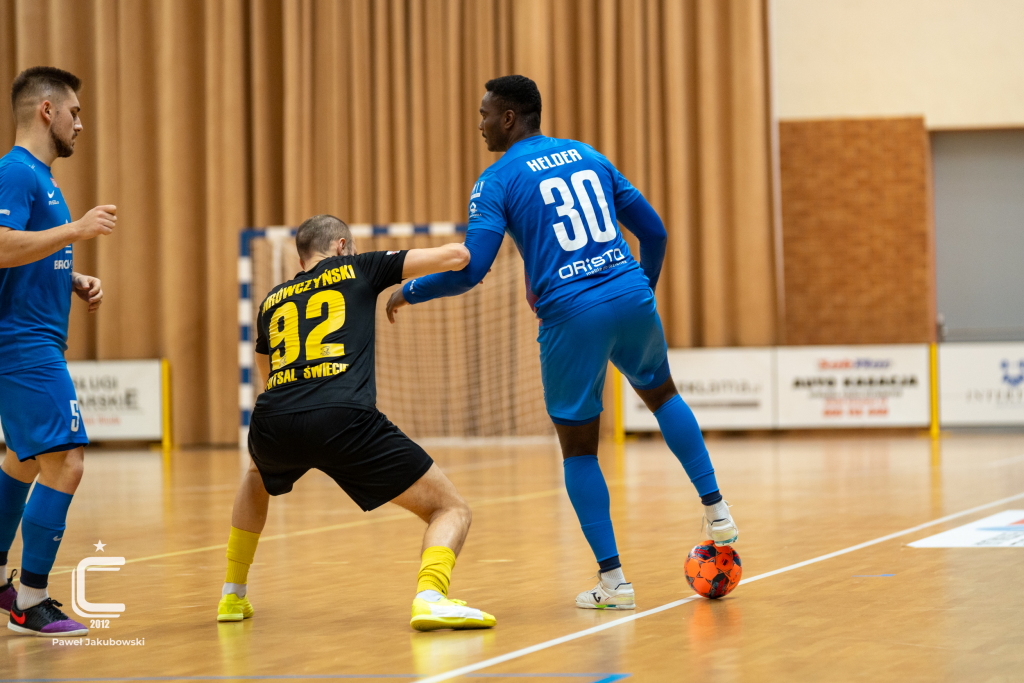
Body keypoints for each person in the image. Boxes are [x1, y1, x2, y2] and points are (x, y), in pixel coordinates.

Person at [387, 75, 739, 611]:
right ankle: (717, 510)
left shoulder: (496, 179)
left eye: (485, 114)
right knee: (664, 395)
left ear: (509, 117)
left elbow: (472, 270)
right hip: (630, 292)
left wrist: (410, 290)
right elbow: (656, 232)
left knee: (579, 449)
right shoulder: (588, 155)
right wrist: (642, 289)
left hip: (570, 314)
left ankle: (614, 584)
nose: (480, 124)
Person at [218, 214, 496, 632]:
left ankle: (232, 594)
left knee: (257, 475)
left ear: (302, 257)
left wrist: (294, 408)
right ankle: (431, 597)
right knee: (450, 507)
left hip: (273, 416)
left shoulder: (273, 299)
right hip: (343, 417)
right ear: (342, 246)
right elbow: (457, 255)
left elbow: (267, 368)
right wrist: (465, 266)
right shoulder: (359, 267)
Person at [0, 66, 116, 636]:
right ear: (46, 111)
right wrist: (75, 232)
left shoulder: (39, 177)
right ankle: (30, 600)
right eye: (74, 112)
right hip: (23, 342)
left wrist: (69, 277)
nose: (80, 123)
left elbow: (24, 254)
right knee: (67, 461)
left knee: (22, 460)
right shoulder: (16, 172)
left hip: (32, 337)